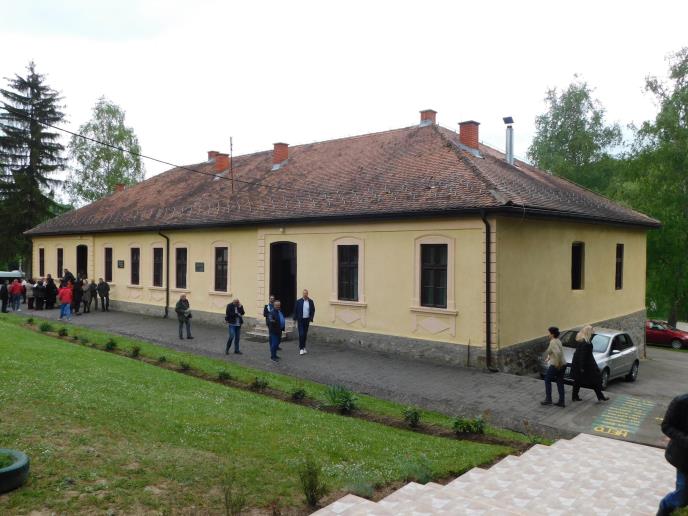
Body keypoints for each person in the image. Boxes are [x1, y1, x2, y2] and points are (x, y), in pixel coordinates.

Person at [658, 392, 688, 515]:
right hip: (684, 458)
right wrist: (685, 440)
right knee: (682, 497)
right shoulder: (681, 402)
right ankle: (664, 508)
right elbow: (666, 426)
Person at [571, 325, 609, 403]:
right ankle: (600, 396)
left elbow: (579, 355)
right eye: (592, 333)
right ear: (589, 333)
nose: (593, 334)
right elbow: (582, 356)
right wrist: (582, 368)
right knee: (595, 380)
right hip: (586, 366)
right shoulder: (586, 343)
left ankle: (575, 396)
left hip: (581, 366)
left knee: (578, 381)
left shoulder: (582, 341)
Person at [541, 326, 566, 407]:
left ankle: (548, 399)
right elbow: (551, 351)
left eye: (548, 333)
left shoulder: (553, 342)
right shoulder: (557, 340)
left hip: (556, 364)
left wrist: (558, 364)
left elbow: (558, 353)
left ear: (552, 334)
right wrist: (548, 358)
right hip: (563, 364)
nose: (547, 335)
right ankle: (561, 401)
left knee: (547, 379)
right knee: (560, 382)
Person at [293, 289, 315, 355]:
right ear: (302, 294)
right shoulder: (298, 301)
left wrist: (311, 318)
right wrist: (294, 320)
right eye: (304, 293)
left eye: (306, 293)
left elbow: (313, 310)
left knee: (305, 334)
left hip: (306, 320)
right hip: (300, 320)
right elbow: (295, 310)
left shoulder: (310, 301)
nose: (305, 294)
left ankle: (304, 347)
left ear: (307, 294)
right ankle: (301, 348)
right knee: (301, 334)